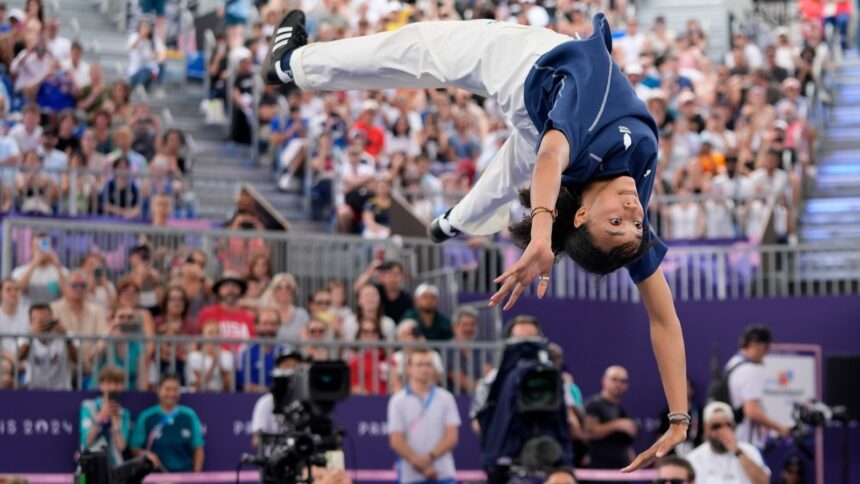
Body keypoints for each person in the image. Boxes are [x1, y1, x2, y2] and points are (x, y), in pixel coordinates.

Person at [263, 11, 689, 467]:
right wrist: (680, 418)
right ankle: (452, 223)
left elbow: (549, 156)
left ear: (582, 215)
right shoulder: (634, 184)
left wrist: (542, 231)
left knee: (420, 48)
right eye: (636, 225)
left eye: (616, 226)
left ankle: (291, 65)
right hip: (543, 116)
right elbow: (663, 318)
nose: (633, 215)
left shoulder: (576, 158)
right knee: (512, 168)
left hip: (524, 66)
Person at [387, 348, 460, 483]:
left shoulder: (446, 398)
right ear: (409, 368)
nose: (425, 369)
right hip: (410, 476)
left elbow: (451, 437)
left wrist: (429, 458)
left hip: (443, 473)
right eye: (420, 365)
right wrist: (420, 464)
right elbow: (396, 440)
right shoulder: (397, 401)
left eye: (428, 365)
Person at [725, 324, 790, 448]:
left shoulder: (732, 364)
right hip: (745, 443)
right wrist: (780, 428)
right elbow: (752, 411)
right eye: (766, 348)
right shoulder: (750, 370)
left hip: (732, 439)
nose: (766, 353)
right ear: (755, 344)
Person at [131, 374, 205, 472]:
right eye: (167, 389)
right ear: (159, 390)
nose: (171, 394)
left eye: (175, 390)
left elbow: (198, 447)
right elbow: (134, 448)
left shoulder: (189, 415)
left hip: (185, 476)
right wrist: (146, 455)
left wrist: (196, 476)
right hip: (156, 477)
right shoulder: (146, 416)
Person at [686, 402, 770, 484]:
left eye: (728, 425)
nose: (723, 431)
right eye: (716, 426)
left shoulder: (749, 450)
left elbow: (763, 481)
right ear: (706, 429)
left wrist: (737, 451)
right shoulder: (694, 458)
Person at [51, 270, 109, 375]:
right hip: (61, 367)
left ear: (87, 288)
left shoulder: (97, 311)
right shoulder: (53, 309)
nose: (79, 289)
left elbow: (103, 338)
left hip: (91, 366)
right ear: (65, 287)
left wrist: (89, 359)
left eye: (83, 285)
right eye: (74, 285)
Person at [250, 347, 305, 449]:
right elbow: (256, 442)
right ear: (277, 370)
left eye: (295, 366)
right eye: (286, 366)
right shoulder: (266, 402)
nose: (291, 370)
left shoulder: (307, 402)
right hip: (274, 460)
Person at [584, 366, 637, 470]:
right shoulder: (594, 405)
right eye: (614, 379)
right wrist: (617, 425)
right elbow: (588, 433)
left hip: (621, 471)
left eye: (623, 381)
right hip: (599, 472)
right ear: (604, 380)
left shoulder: (622, 411)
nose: (618, 384)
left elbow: (626, 446)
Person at [79, 366, 131, 468]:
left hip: (115, 469)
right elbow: (86, 442)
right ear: (101, 385)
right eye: (108, 383)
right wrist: (100, 417)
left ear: (122, 386)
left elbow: (121, 447)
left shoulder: (124, 413)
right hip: (90, 467)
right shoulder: (88, 407)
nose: (112, 387)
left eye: (116, 383)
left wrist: (115, 424)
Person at [18, 303, 77, 390]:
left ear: (52, 319)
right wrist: (31, 337)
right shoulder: (26, 338)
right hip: (33, 391)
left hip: (62, 391)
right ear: (31, 322)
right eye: (40, 321)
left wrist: (66, 338)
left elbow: (77, 360)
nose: (44, 324)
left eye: (46, 320)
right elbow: (19, 357)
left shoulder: (67, 336)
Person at [197, 275, 256, 352]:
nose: (230, 290)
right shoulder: (208, 313)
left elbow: (253, 342)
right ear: (219, 290)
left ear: (241, 291)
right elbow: (200, 338)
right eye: (225, 286)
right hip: (216, 359)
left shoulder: (249, 317)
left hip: (243, 360)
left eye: (234, 286)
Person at [11, 232, 69, 304]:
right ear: (31, 248)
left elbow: (68, 294)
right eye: (37, 247)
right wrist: (33, 265)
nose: (42, 251)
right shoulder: (19, 272)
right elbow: (18, 291)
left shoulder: (63, 271)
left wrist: (57, 265)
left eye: (45, 246)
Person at [235, 307, 281, 392]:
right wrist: (271, 392)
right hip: (251, 400)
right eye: (265, 324)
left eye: (273, 324)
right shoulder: (246, 351)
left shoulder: (285, 350)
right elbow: (246, 385)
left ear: (279, 326)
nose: (269, 328)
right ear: (256, 326)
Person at [186, 321, 234, 392]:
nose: (215, 336)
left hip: (221, 396)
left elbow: (228, 387)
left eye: (217, 332)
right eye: (210, 333)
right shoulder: (194, 357)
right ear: (202, 336)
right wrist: (213, 364)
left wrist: (220, 364)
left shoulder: (228, 355)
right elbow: (197, 386)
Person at [0, 279, 29, 361]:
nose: (13, 293)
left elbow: (26, 342)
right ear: (1, 293)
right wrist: (14, 360)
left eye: (16, 289)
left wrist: (18, 360)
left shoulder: (28, 314)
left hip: (24, 360)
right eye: (8, 290)